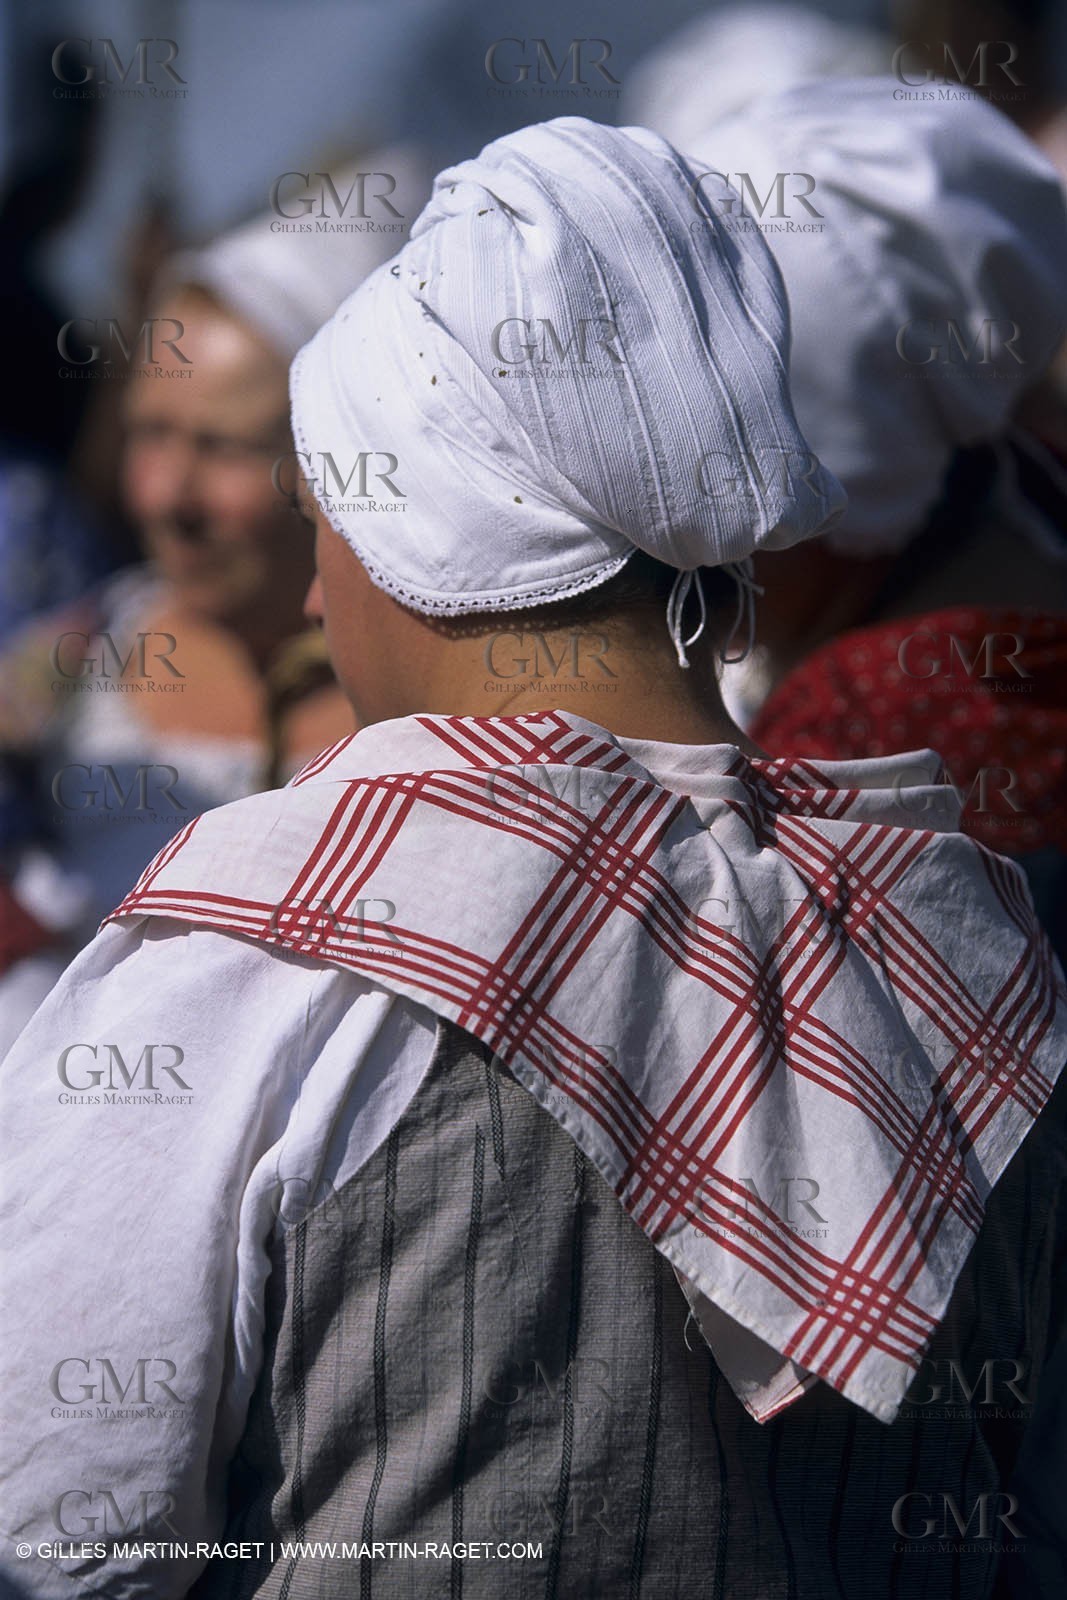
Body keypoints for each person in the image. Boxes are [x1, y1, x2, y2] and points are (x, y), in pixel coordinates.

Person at [1, 116, 1065, 1600]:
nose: (314, 591)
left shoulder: (267, 942)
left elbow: (58, 1523)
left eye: (330, 521)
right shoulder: (954, 929)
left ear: (426, 533)